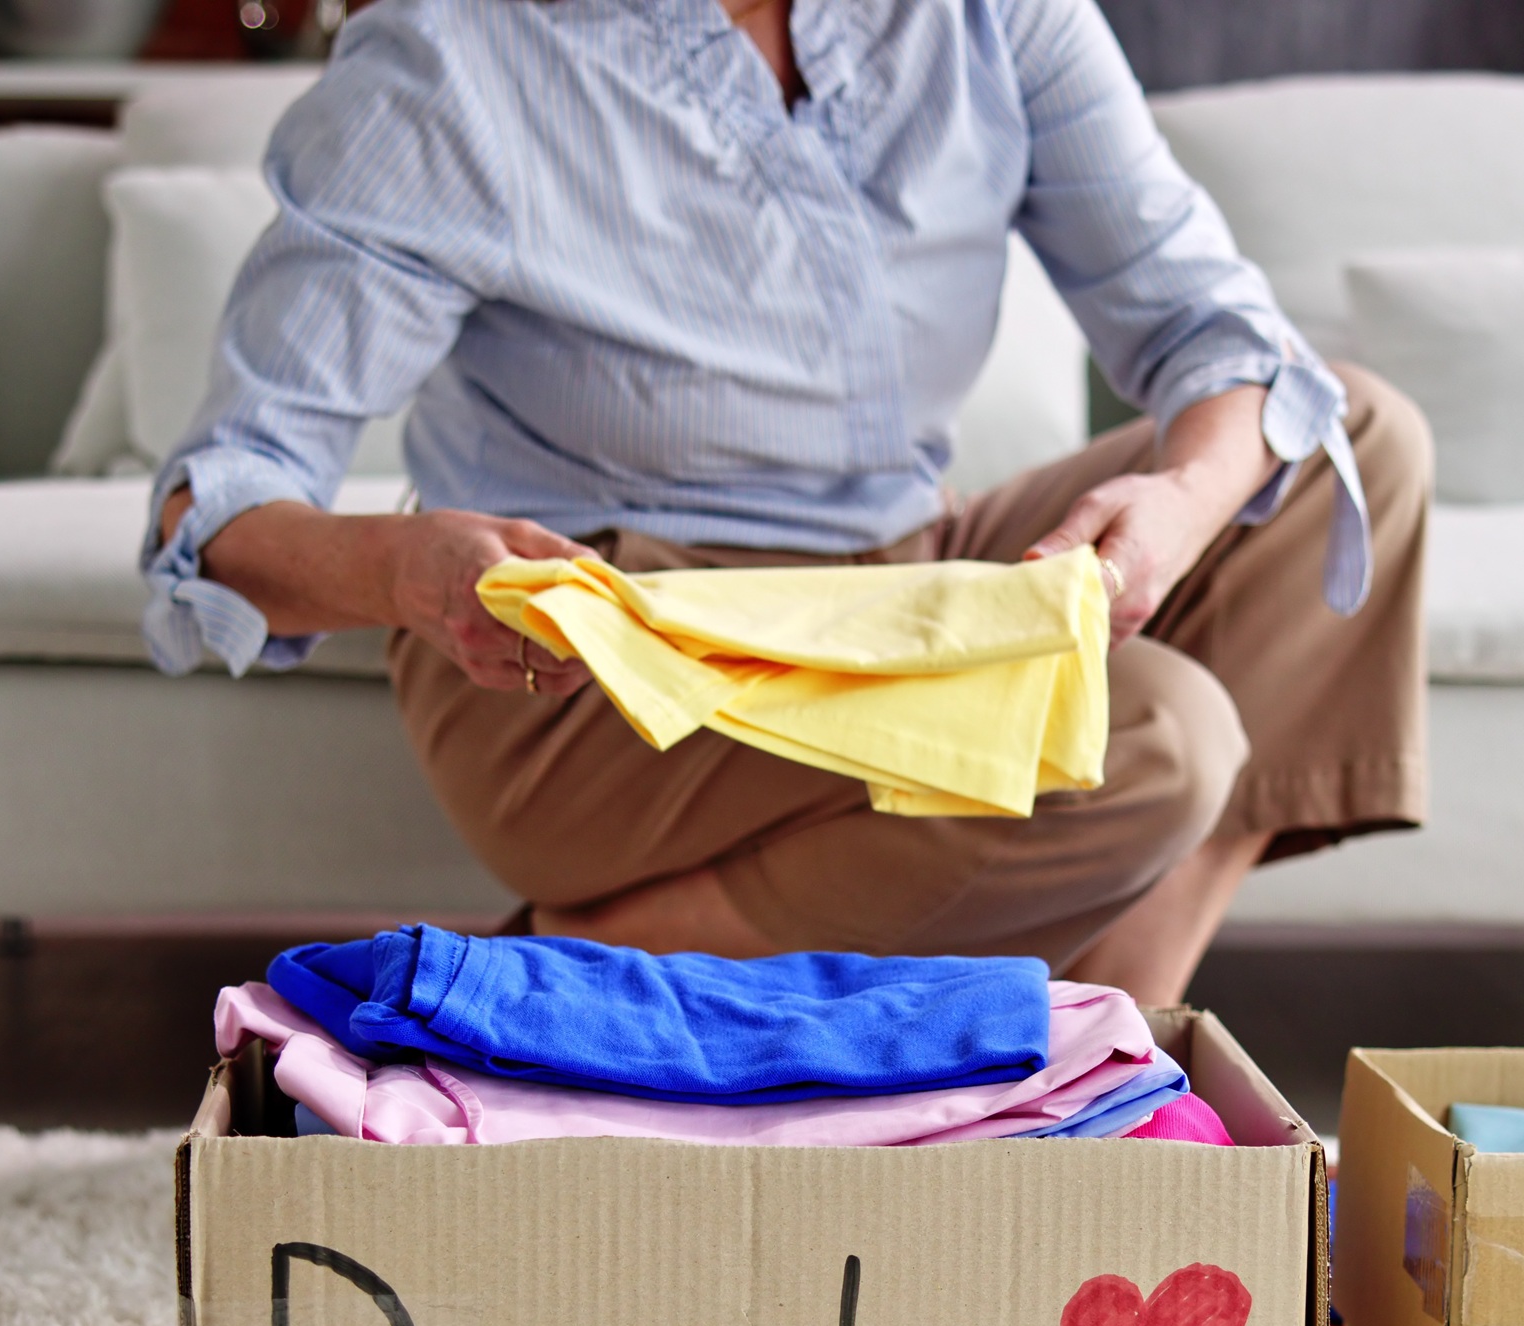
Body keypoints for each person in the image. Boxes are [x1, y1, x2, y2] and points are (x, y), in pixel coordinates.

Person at [142, 0, 1428, 1006]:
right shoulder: (452, 62)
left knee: (1341, 439)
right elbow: (218, 510)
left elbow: (1219, 331)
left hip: (896, 580)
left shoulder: (986, 16)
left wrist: (1181, 498)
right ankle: (606, 964)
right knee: (1150, 734)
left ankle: (1111, 1037)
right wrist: (399, 571)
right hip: (608, 657)